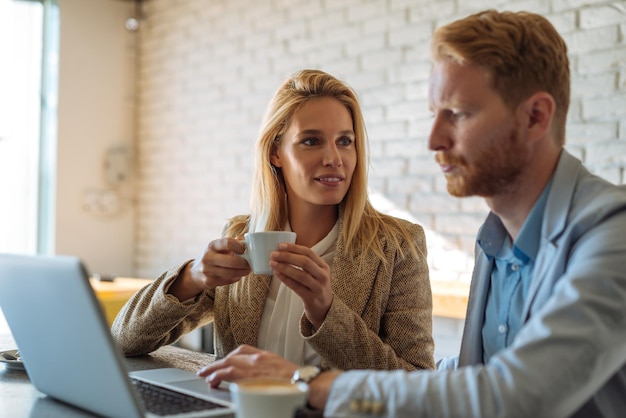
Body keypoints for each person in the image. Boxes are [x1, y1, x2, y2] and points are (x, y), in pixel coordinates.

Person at [196, 10, 626, 417]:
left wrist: (303, 382)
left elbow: (514, 394)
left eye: (456, 114)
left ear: (535, 117)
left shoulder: (613, 234)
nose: (434, 139)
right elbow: (469, 379)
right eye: (432, 115)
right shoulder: (494, 241)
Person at [111, 69, 435, 372]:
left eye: (345, 141)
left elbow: (419, 385)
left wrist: (325, 311)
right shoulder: (242, 236)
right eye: (311, 140)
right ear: (275, 153)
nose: (334, 158)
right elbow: (123, 340)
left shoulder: (397, 245)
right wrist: (191, 277)